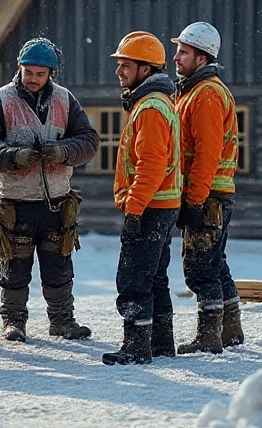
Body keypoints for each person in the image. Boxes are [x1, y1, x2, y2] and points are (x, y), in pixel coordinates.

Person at [0, 37, 99, 343]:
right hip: (15, 203)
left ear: (50, 74)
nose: (33, 78)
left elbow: (89, 140)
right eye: (28, 72)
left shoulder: (66, 100)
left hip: (56, 202)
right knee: (14, 266)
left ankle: (62, 321)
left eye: (40, 74)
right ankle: (14, 322)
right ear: (19, 68)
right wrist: (12, 157)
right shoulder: (0, 100)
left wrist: (64, 151)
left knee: (59, 266)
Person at [102, 31, 182, 366]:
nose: (119, 71)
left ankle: (136, 347)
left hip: (149, 206)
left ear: (146, 70)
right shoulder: (159, 102)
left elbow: (151, 163)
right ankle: (162, 343)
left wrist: (134, 209)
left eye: (125, 65)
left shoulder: (149, 107)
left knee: (134, 277)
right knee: (156, 275)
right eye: (119, 64)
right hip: (163, 205)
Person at [171, 22, 243, 354]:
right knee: (215, 262)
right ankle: (230, 330)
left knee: (199, 267)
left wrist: (195, 201)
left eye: (184, 51)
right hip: (213, 191)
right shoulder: (194, 91)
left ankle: (209, 335)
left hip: (208, 193)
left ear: (202, 58)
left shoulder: (206, 94)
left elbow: (207, 152)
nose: (176, 56)